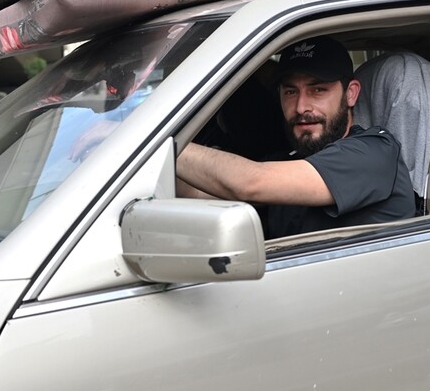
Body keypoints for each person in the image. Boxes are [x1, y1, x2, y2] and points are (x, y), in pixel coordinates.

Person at [176, 36, 416, 239]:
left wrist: (164, 146)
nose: (301, 107)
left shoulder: (373, 154)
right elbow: (198, 192)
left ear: (351, 94)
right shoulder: (289, 160)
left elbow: (250, 183)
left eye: (318, 90)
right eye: (290, 92)